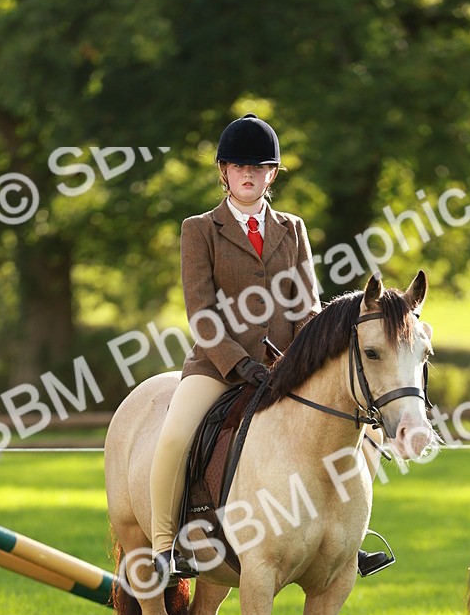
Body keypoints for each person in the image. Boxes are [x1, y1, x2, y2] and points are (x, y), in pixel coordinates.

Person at [150, 112, 394, 583]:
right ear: (224, 171)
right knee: (175, 436)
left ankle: (350, 542)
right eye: (239, 166)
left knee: (365, 432)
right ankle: (165, 546)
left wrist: (311, 354)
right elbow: (201, 312)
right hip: (218, 364)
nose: (249, 174)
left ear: (272, 174)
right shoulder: (199, 229)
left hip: (287, 364)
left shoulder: (293, 228)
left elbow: (306, 304)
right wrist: (238, 363)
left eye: (259, 167)